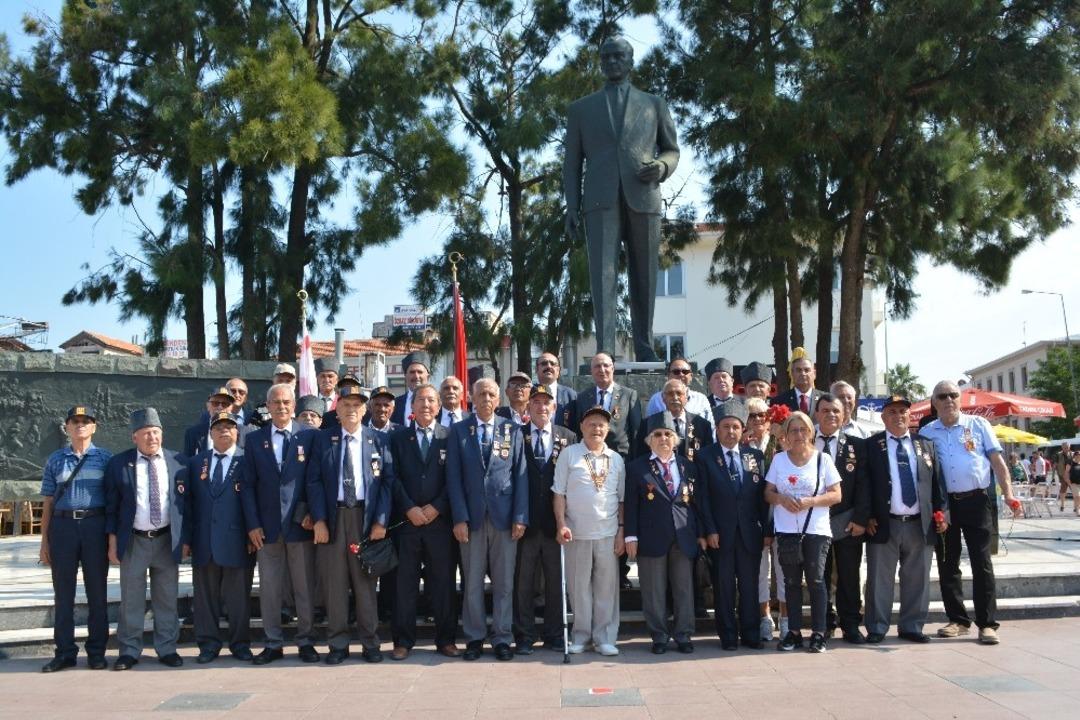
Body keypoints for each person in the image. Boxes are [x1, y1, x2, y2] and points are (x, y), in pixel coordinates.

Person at [563, 36, 680, 362]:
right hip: (599, 200)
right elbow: (571, 163)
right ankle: (606, 350)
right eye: (607, 57)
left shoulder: (654, 104)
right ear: (601, 62)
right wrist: (572, 206)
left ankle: (645, 346)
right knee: (603, 278)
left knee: (645, 275)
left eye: (619, 56)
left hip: (644, 195)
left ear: (630, 62)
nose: (612, 62)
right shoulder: (581, 109)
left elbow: (671, 150)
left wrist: (662, 166)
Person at [920, 380, 1021, 645]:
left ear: (961, 398)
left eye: (953, 395)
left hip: (977, 500)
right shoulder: (927, 432)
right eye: (942, 396)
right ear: (934, 402)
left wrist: (1009, 493)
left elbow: (997, 461)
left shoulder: (978, 425)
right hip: (944, 506)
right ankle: (958, 620)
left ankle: (987, 624)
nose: (948, 400)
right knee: (947, 562)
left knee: (981, 562)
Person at [307, 385, 393, 664]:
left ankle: (370, 642)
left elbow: (387, 483)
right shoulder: (324, 439)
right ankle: (338, 644)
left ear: (365, 409)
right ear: (337, 409)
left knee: (365, 583)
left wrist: (381, 521)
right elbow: (314, 482)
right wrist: (319, 520)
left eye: (357, 405)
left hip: (364, 519)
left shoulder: (378, 440)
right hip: (334, 518)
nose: (352, 409)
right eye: (346, 404)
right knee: (335, 584)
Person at [447, 377, 529, 661]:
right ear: (471, 397)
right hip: (471, 519)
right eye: (481, 394)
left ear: (498, 399)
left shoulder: (511, 430)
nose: (486, 399)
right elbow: (453, 478)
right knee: (472, 583)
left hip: (505, 518)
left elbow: (520, 475)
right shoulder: (459, 431)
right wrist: (459, 518)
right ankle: (474, 638)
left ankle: (502, 637)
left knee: (504, 583)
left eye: (491, 394)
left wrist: (520, 516)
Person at [241, 383, 321, 664]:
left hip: (301, 525)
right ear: (268, 406)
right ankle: (273, 643)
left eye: (286, 402)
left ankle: (306, 641)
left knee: (304, 588)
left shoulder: (310, 436)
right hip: (267, 528)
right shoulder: (254, 440)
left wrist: (313, 513)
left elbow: (316, 479)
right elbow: (248, 486)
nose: (281, 407)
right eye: (276, 402)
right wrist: (252, 524)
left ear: (294, 405)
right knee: (270, 589)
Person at [105, 408, 186, 670]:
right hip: (134, 541)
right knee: (131, 598)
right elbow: (112, 507)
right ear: (134, 437)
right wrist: (113, 542)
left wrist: (185, 540)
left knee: (167, 597)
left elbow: (186, 506)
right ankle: (129, 650)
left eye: (156, 432)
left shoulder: (178, 462)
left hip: (166, 540)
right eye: (146, 433)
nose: (152, 437)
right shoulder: (119, 464)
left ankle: (167, 648)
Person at [864, 396, 947, 644]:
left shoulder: (925, 445)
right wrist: (866, 516)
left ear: (910, 416)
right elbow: (863, 485)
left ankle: (912, 626)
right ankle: (877, 627)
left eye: (903, 411)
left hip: (919, 523)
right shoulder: (871, 445)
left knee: (917, 579)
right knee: (879, 579)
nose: (898, 416)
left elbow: (937, 483)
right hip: (883, 523)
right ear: (883, 417)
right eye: (892, 412)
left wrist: (943, 514)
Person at [38, 405, 112, 673]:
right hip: (63, 527)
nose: (80, 425)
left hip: (95, 526)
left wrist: (112, 538)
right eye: (75, 421)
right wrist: (44, 542)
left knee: (97, 593)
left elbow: (113, 500)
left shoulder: (105, 459)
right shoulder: (56, 459)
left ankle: (97, 652)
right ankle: (65, 652)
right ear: (67, 427)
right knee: (63, 594)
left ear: (94, 426)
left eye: (86, 420)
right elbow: (48, 502)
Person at [388, 384, 460, 659]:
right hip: (407, 524)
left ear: (439, 406)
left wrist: (437, 507)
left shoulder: (450, 436)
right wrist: (408, 508)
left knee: (442, 584)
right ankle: (403, 641)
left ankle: (446, 640)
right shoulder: (398, 438)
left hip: (439, 524)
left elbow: (455, 478)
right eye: (421, 400)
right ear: (412, 406)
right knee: (403, 585)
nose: (426, 405)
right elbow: (392, 477)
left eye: (431, 400)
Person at [625, 412, 703, 654]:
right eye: (657, 434)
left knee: (683, 589)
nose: (663, 438)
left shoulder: (688, 466)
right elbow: (631, 505)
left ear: (675, 439)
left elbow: (697, 504)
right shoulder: (636, 468)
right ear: (649, 440)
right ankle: (659, 636)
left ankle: (683, 634)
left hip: (683, 536)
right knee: (653, 591)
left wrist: (700, 533)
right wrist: (630, 536)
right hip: (651, 536)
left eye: (668, 434)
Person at [764, 411, 842, 653]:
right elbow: (768, 493)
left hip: (816, 530)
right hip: (787, 530)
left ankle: (818, 633)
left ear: (811, 432)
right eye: (793, 430)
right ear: (786, 435)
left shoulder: (822, 460)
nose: (799, 435)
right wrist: (781, 499)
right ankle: (794, 632)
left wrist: (811, 501)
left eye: (803, 429)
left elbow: (836, 494)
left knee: (816, 580)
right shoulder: (779, 460)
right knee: (791, 582)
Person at [181, 411, 253, 663]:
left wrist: (252, 532)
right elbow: (188, 504)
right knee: (205, 598)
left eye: (229, 427)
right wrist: (187, 539)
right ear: (210, 433)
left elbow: (252, 500)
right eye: (219, 427)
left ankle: (240, 644)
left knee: (238, 599)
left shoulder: (246, 460)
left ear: (237, 432)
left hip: (238, 540)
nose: (224, 430)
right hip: (204, 540)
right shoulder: (196, 463)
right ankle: (208, 645)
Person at [553, 406, 626, 655]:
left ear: (608, 429)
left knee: (606, 588)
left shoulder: (616, 459)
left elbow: (622, 499)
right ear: (582, 427)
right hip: (576, 532)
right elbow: (559, 493)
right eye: (592, 424)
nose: (597, 429)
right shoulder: (569, 454)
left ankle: (604, 638)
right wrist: (561, 524)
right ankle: (581, 636)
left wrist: (621, 531)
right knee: (578, 588)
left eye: (601, 425)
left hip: (607, 533)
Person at [696, 400, 768, 650]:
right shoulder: (705, 457)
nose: (730, 431)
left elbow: (762, 497)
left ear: (743, 429)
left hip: (749, 533)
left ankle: (751, 633)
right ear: (717, 429)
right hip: (720, 533)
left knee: (749, 586)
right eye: (725, 427)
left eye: (735, 427)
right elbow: (702, 497)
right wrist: (709, 529)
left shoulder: (754, 456)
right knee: (724, 587)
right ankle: (727, 635)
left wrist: (766, 530)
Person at [513, 384, 578, 655]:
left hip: (555, 523)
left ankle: (555, 634)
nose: (541, 407)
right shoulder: (517, 435)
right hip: (525, 523)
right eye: (536, 402)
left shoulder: (568, 437)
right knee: (523, 583)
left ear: (554, 407)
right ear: (528, 407)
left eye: (546, 402)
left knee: (555, 582)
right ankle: (524, 635)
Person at [571, 351, 641, 589]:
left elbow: (636, 433)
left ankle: (620, 572)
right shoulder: (583, 397)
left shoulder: (629, 395)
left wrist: (634, 467)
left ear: (613, 368)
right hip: (590, 464)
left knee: (620, 516)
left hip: (621, 464)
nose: (602, 370)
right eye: (597, 366)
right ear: (591, 371)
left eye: (606, 366)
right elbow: (578, 432)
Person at [814, 393, 872, 644]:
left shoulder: (857, 445)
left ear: (844, 414)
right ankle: (824, 624)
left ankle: (850, 625)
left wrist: (861, 519)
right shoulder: (804, 440)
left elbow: (864, 484)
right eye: (826, 410)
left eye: (836, 411)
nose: (831, 415)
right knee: (820, 575)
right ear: (817, 414)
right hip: (815, 520)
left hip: (847, 520)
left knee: (849, 576)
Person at [638, 378, 712, 461]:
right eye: (670, 394)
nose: (675, 397)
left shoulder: (702, 425)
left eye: (679, 393)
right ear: (663, 398)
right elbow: (641, 456)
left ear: (686, 397)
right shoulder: (648, 424)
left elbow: (708, 457)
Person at [645, 358, 715, 425]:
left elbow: (710, 428)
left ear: (691, 376)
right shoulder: (656, 400)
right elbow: (649, 426)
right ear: (668, 375)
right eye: (676, 372)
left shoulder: (701, 399)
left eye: (685, 372)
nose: (681, 374)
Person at [184, 386, 242, 458]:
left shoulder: (245, 432)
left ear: (232, 407)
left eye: (225, 404)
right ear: (208, 406)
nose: (220, 407)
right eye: (215, 403)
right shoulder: (192, 433)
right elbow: (188, 461)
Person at [535, 352, 577, 427]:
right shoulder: (529, 393)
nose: (549, 366)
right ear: (536, 369)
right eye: (544, 363)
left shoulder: (571, 395)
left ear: (558, 371)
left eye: (552, 364)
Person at [773, 349, 821, 415]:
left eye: (807, 370)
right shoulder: (779, 401)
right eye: (798, 370)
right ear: (792, 374)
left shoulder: (825, 399)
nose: (803, 373)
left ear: (814, 374)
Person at [391, 351, 431, 426]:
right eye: (412, 372)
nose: (416, 376)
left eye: (420, 372)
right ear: (405, 376)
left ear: (428, 376)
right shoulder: (395, 404)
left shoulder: (438, 402)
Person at [1055, 443, 1073, 511]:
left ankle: (1076, 506)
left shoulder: (1073, 454)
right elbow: (1055, 465)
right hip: (1062, 475)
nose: (1066, 448)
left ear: (1069, 447)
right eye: (1065, 447)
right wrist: (1057, 475)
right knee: (1063, 490)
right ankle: (1062, 505)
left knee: (1075, 490)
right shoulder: (1058, 455)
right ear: (1062, 447)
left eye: (1067, 447)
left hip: (1072, 476)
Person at [1069, 451, 1080, 516]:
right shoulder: (1071, 463)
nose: (1078, 456)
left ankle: (1076, 508)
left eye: (1079, 455)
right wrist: (1068, 481)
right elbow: (1066, 473)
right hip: (1073, 483)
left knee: (1077, 498)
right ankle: (1078, 511)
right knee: (1078, 496)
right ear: (1074, 456)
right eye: (1077, 455)